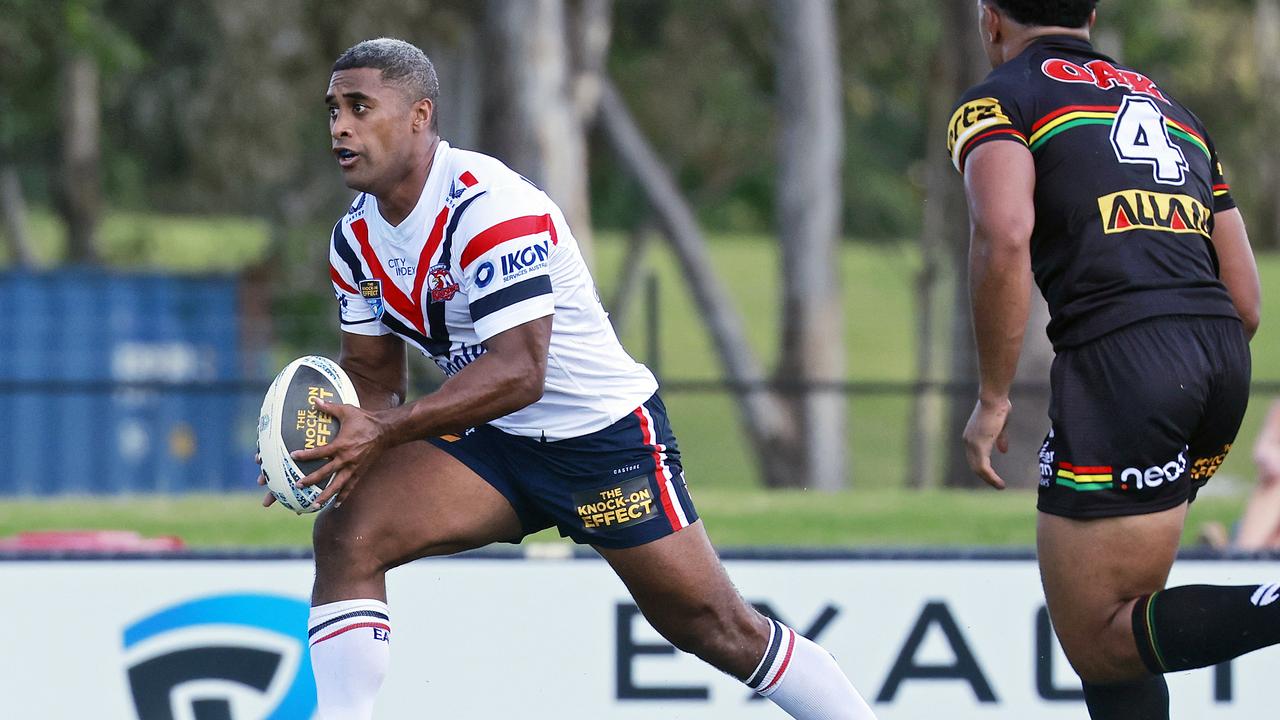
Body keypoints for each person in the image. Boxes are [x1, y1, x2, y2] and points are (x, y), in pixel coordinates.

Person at [258, 37, 877, 720]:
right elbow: (374, 379)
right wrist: (326, 445)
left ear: (418, 116)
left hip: (601, 442)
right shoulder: (355, 239)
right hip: (491, 440)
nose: (340, 125)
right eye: (333, 110)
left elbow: (521, 371)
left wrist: (384, 430)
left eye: (359, 106)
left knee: (716, 628)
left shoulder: (488, 207)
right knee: (349, 533)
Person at [950, 2, 1269, 718]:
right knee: (1124, 625)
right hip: (1218, 356)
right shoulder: (1170, 107)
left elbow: (1001, 234)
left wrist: (994, 397)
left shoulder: (1002, 100)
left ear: (990, 19)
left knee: (1099, 639)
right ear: (1091, 14)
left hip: (1126, 363)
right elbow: (1246, 299)